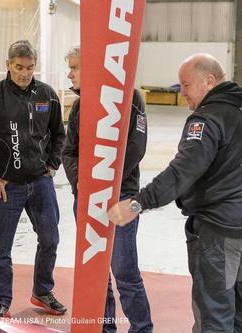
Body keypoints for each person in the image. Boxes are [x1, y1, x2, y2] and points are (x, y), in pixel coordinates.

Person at [108, 53, 242, 333]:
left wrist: (136, 204)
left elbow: (182, 173)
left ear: (209, 81)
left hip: (222, 231)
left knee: (215, 314)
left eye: (186, 85)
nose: (181, 92)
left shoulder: (207, 118)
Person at [0, 40, 67, 323]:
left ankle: (42, 291)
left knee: (50, 238)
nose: (24, 73)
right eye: (18, 67)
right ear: (8, 65)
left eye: (29, 68)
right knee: (1, 248)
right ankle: (1, 303)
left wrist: (52, 163)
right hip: (8, 186)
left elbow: (59, 134)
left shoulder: (47, 95)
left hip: (40, 183)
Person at [62, 46, 153, 333]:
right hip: (86, 200)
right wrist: (82, 182)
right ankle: (105, 328)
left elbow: (135, 148)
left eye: (75, 68)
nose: (70, 73)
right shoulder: (78, 106)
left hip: (120, 200)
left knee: (125, 272)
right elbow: (69, 151)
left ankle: (141, 328)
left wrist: (103, 184)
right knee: (96, 273)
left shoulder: (129, 98)